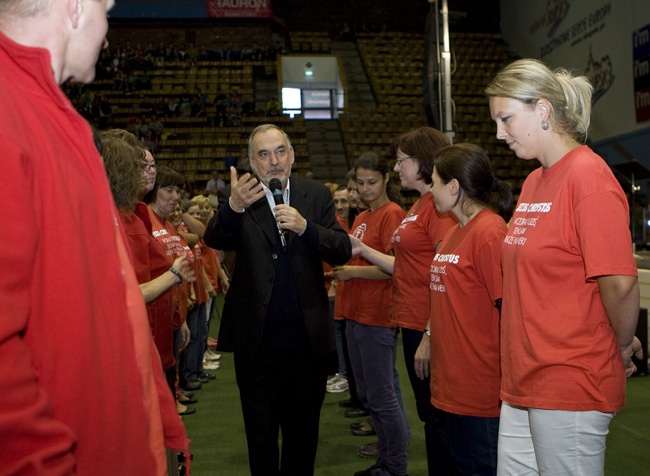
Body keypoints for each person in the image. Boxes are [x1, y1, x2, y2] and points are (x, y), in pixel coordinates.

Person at [0, 0, 189, 474]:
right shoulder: (11, 116)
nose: (109, 32)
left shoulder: (54, 116)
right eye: (108, 8)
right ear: (76, 6)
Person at [486, 58, 643, 475]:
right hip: (523, 377)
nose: (499, 133)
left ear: (542, 110)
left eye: (506, 119)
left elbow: (620, 284)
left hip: (569, 378)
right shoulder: (536, 180)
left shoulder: (589, 178)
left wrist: (622, 343)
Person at [203, 124, 352, 476]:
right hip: (257, 343)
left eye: (280, 152)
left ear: (292, 155)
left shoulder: (315, 195)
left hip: (307, 342)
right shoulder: (243, 198)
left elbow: (343, 248)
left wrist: (306, 228)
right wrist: (233, 208)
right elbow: (213, 238)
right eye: (264, 155)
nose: (274, 162)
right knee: (261, 436)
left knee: (303, 437)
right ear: (252, 163)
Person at [348, 127, 457, 476]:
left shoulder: (436, 207)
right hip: (412, 321)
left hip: (426, 324)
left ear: (422, 161)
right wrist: (363, 251)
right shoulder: (421, 205)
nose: (396, 169)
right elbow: (406, 265)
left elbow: (445, 271)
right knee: (430, 414)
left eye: (401, 161)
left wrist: (429, 333)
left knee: (438, 415)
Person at [429, 143, 513, 475]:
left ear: (453, 187)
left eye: (435, 182)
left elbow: (509, 311)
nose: (431, 190)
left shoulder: (490, 232)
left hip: (481, 390)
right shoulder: (454, 233)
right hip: (449, 385)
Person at [332, 152, 408, 476]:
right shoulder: (362, 216)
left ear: (386, 179)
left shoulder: (392, 213)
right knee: (367, 394)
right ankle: (385, 458)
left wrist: (352, 272)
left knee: (382, 396)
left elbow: (395, 270)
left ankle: (396, 465)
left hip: (376, 316)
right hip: (354, 313)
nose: (365, 189)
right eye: (360, 183)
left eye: (372, 182)